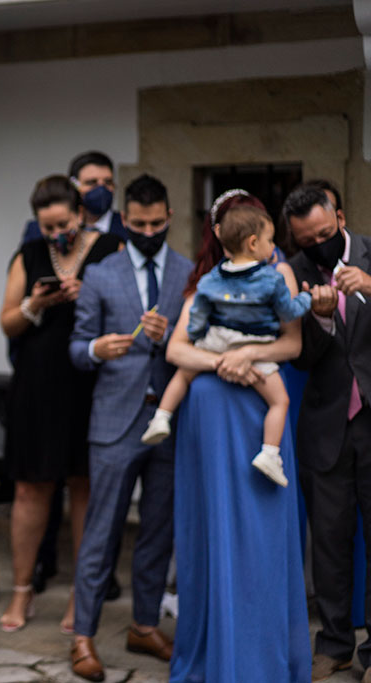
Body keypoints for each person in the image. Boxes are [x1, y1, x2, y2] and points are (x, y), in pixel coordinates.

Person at [168, 189, 310, 682]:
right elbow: (176, 351)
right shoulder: (205, 285)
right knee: (212, 532)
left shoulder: (279, 276)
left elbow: (292, 342)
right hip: (209, 416)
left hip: (258, 414)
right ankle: (213, 654)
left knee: (261, 534)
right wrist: (223, 361)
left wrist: (245, 356)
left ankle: (260, 658)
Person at [67, 174, 190, 681]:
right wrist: (99, 348)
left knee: (158, 531)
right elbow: (75, 348)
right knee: (102, 532)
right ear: (124, 221)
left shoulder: (187, 272)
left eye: (156, 223)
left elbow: (199, 343)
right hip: (115, 421)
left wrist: (167, 342)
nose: (147, 230)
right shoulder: (101, 273)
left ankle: (143, 624)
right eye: (138, 224)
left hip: (169, 420)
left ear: (169, 218)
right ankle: (83, 637)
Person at [0, 176, 121, 637]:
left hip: (91, 384)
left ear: (80, 213)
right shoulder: (28, 255)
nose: (56, 233)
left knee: (84, 485)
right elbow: (8, 323)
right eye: (47, 227)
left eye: (63, 223)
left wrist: (86, 293)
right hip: (37, 383)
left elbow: (125, 308)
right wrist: (35, 302)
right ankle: (22, 589)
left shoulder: (111, 248)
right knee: (31, 488)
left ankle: (81, 594)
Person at [142, 205, 312, 488]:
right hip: (254, 344)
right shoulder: (272, 279)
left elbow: (197, 315)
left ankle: (161, 416)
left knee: (183, 374)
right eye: (270, 240)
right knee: (279, 401)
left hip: (218, 341)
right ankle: (270, 453)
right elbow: (288, 311)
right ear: (254, 243)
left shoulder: (210, 279)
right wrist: (307, 299)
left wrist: (198, 336)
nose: (274, 247)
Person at [283, 184, 371, 682]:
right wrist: (319, 320)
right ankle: (335, 643)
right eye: (306, 239)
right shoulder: (291, 273)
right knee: (330, 544)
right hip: (325, 427)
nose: (318, 243)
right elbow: (301, 358)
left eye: (325, 232)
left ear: (340, 216)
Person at [20, 151, 129, 244]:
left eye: (108, 182)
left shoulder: (128, 225)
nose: (101, 189)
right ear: (73, 186)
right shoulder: (38, 230)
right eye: (91, 182)